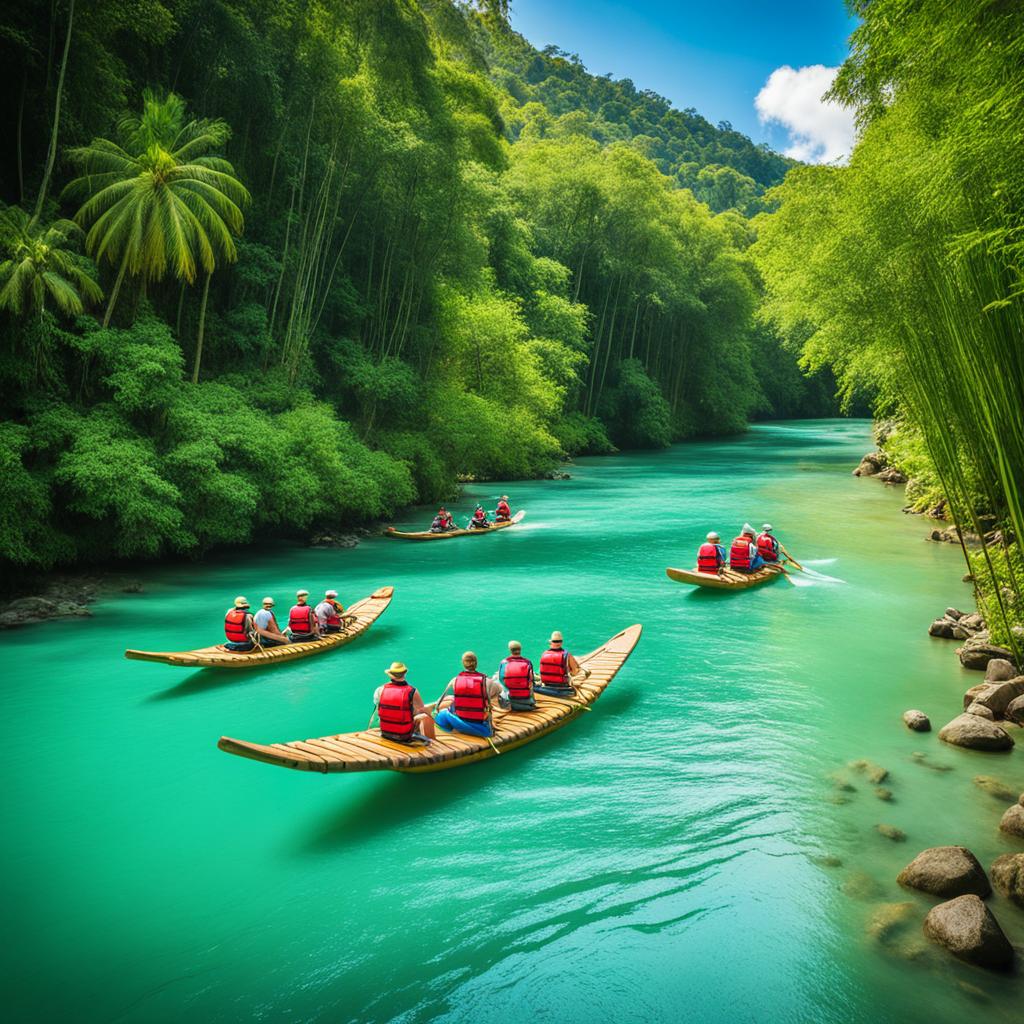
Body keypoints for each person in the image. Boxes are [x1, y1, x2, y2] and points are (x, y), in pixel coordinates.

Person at [434, 651, 505, 737]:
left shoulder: (454, 680)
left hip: (458, 720)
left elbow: (437, 706)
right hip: (480, 725)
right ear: (476, 664)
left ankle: (453, 730)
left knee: (443, 711)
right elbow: (500, 690)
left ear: (463, 664)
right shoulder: (487, 682)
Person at [369, 662, 436, 743]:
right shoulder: (412, 691)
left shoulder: (380, 690)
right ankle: (433, 744)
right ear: (404, 674)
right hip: (403, 735)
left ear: (391, 675)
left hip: (385, 732)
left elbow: (378, 708)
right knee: (425, 716)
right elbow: (422, 710)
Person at [534, 630, 589, 696]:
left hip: (546, 684)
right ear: (561, 642)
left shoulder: (544, 654)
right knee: (584, 672)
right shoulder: (567, 655)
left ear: (551, 642)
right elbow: (575, 672)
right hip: (563, 686)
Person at [498, 640, 535, 711]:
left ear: (510, 650)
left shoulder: (503, 663)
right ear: (520, 650)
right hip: (526, 699)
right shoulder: (528, 662)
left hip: (510, 698)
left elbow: (501, 680)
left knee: (497, 680)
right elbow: (531, 680)